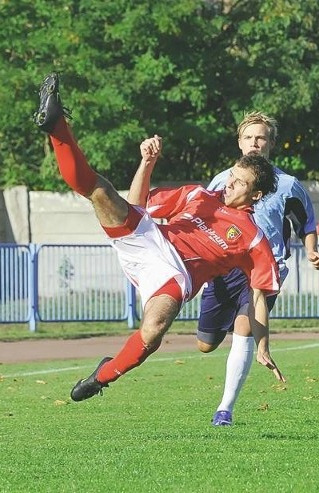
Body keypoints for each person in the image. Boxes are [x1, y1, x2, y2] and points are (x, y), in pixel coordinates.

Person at [32, 73, 286, 402]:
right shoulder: (199, 195)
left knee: (152, 332)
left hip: (174, 274)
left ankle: (102, 376)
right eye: (232, 176)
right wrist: (147, 163)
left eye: (239, 183)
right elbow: (138, 204)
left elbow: (258, 295)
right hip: (148, 239)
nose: (229, 184)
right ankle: (56, 126)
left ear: (256, 195)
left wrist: (262, 344)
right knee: (99, 191)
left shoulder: (252, 239)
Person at [197, 111, 319, 426]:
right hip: (225, 268)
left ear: (270, 143)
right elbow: (203, 220)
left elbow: (305, 224)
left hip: (266, 270)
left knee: (244, 332)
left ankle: (224, 410)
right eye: (249, 137)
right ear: (239, 142)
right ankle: (227, 336)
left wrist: (311, 251)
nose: (255, 142)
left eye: (261, 137)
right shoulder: (222, 181)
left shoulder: (288, 185)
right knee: (205, 344)